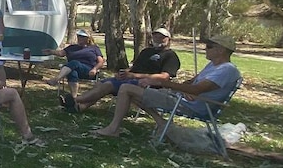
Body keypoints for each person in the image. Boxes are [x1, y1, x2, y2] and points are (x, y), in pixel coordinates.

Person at [93, 34, 241, 138]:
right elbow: (192, 84)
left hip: (195, 106)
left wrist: (163, 83)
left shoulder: (226, 70)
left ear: (221, 50)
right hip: (186, 99)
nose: (205, 49)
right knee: (137, 90)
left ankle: (113, 129)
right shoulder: (214, 65)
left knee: (126, 89)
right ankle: (161, 122)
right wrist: (181, 89)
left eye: (209, 46)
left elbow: (197, 89)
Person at [62, 27, 180, 113]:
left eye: (161, 37)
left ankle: (75, 99)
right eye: (156, 36)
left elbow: (164, 77)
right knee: (101, 83)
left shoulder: (170, 56)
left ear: (168, 39)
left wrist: (134, 76)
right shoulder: (146, 52)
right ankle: (80, 107)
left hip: (146, 84)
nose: (158, 39)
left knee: (108, 85)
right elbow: (133, 67)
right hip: (131, 78)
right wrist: (124, 72)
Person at [44, 29, 104, 98]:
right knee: (72, 72)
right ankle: (74, 98)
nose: (79, 38)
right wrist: (51, 51)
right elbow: (61, 53)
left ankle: (57, 79)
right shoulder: (72, 47)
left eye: (82, 37)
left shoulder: (94, 48)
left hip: (88, 70)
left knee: (74, 63)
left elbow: (101, 61)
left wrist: (95, 69)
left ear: (88, 38)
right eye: (79, 36)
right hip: (72, 68)